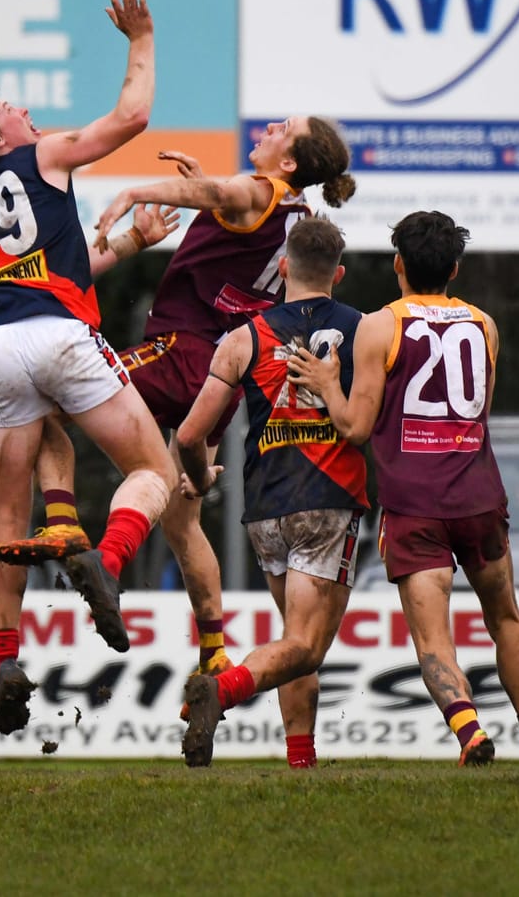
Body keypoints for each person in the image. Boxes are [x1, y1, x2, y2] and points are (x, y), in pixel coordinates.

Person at [0, 116, 356, 684]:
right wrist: (207, 191)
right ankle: (213, 653)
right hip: (220, 378)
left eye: (283, 128)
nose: (269, 126)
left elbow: (227, 196)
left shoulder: (259, 191)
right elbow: (231, 218)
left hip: (178, 353)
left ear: (289, 162)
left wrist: (136, 192)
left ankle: (75, 533)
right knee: (183, 519)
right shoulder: (297, 213)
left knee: (43, 403)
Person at [0, 0, 179, 735]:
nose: (25, 109)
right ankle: (109, 557)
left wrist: (129, 242)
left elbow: (55, 272)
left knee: (6, 520)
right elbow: (131, 117)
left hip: (0, 347)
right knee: (155, 472)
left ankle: (5, 660)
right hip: (60, 339)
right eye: (11, 107)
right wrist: (142, 39)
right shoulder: (42, 155)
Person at [288, 210, 519, 766]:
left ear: (398, 265)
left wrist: (326, 384)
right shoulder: (484, 325)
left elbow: (355, 428)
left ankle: (470, 733)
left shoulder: (380, 326)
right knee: (506, 616)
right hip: (479, 496)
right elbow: (479, 413)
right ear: (454, 268)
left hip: (415, 505)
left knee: (434, 637)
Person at [173, 216, 365, 769]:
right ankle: (222, 690)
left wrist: (201, 479)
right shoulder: (365, 330)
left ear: (283, 268)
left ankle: (299, 762)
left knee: (292, 644)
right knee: (306, 647)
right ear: (339, 274)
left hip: (265, 509)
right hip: (327, 500)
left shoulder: (243, 338)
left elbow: (188, 436)